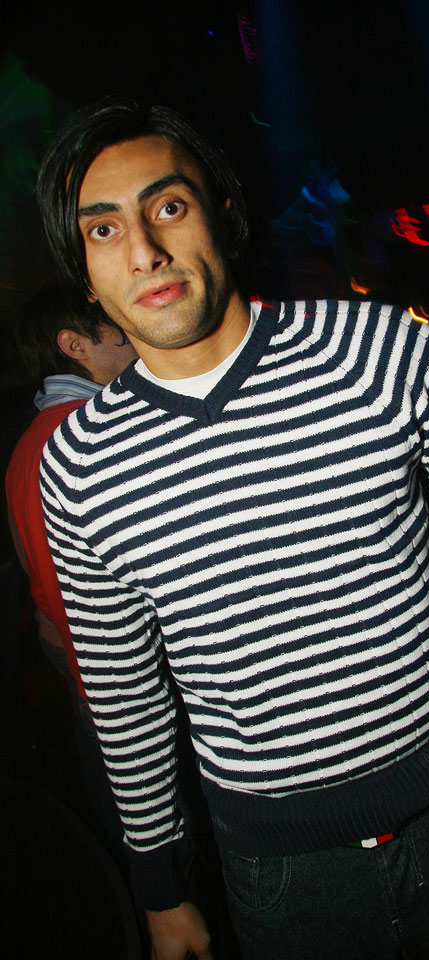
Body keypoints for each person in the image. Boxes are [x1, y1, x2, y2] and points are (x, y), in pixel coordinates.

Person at [35, 98, 429, 960]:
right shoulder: (77, 466)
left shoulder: (382, 353)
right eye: (103, 230)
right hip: (281, 883)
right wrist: (162, 888)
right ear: (85, 271)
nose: (143, 251)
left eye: (167, 206)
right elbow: (125, 696)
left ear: (222, 212)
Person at [5, 285, 137, 852]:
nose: (133, 333)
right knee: (144, 820)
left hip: (83, 655)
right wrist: (105, 689)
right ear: (75, 345)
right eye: (116, 324)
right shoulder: (80, 436)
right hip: (104, 663)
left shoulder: (44, 433)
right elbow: (68, 586)